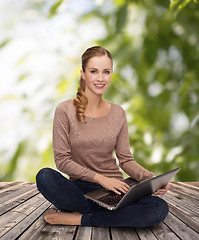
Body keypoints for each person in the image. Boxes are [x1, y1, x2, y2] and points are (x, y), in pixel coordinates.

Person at [36, 46, 170, 227]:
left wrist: (151, 179)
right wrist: (100, 179)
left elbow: (126, 160)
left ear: (111, 74)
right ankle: (111, 216)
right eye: (94, 71)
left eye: (106, 72)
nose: (100, 78)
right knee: (44, 176)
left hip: (116, 190)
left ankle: (82, 218)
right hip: (80, 190)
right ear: (83, 73)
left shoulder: (118, 113)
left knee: (159, 208)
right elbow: (62, 161)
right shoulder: (65, 110)